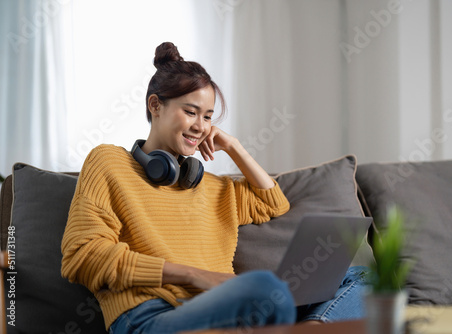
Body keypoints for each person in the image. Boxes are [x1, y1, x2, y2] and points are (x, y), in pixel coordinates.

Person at [61, 42, 369, 334]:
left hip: (230, 313)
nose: (201, 126)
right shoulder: (109, 162)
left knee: (365, 278)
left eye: (208, 117)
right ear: (155, 105)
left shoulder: (213, 187)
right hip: (149, 317)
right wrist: (193, 274)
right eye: (191, 112)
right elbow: (82, 256)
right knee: (265, 289)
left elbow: (274, 203)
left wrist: (235, 147)